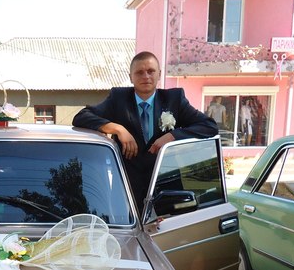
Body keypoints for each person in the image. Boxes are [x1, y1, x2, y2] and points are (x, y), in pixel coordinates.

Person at [72, 51, 218, 210]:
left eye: (151, 71)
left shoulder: (174, 99)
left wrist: (172, 136)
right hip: (126, 191)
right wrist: (118, 129)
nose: (145, 76)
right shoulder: (118, 98)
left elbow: (209, 126)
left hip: (166, 187)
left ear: (159, 74)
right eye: (139, 72)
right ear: (131, 77)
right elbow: (81, 117)